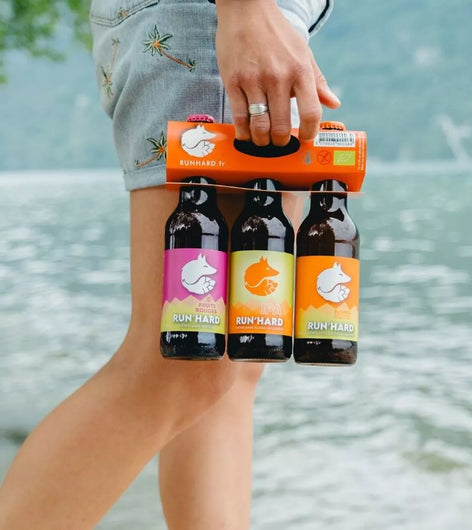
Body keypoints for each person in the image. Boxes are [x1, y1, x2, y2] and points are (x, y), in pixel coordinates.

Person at [0, 0, 340, 528]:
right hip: (218, 20)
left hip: (243, 22)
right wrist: (247, 11)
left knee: (232, 355)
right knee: (181, 359)